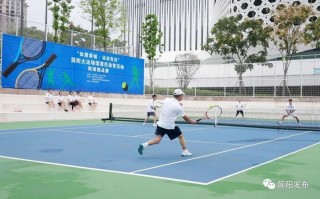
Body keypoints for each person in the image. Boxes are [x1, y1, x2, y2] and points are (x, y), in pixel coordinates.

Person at [138, 89, 197, 157]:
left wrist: (155, 106)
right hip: (169, 125)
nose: (182, 97)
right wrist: (192, 122)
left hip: (160, 123)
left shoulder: (167, 100)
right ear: (179, 96)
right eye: (182, 95)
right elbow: (185, 118)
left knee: (157, 139)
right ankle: (184, 151)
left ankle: (144, 144)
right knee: (181, 135)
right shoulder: (178, 107)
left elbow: (159, 104)